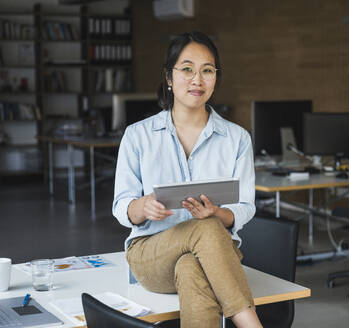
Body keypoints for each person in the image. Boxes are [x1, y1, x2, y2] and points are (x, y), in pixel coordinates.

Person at [112, 31, 262, 328]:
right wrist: (142, 206)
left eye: (208, 70)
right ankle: (250, 323)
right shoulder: (137, 135)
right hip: (151, 253)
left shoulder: (237, 138)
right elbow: (121, 207)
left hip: (213, 256)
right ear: (169, 77)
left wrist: (217, 213)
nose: (198, 80)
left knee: (193, 263)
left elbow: (246, 206)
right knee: (204, 229)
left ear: (216, 78)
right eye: (187, 69)